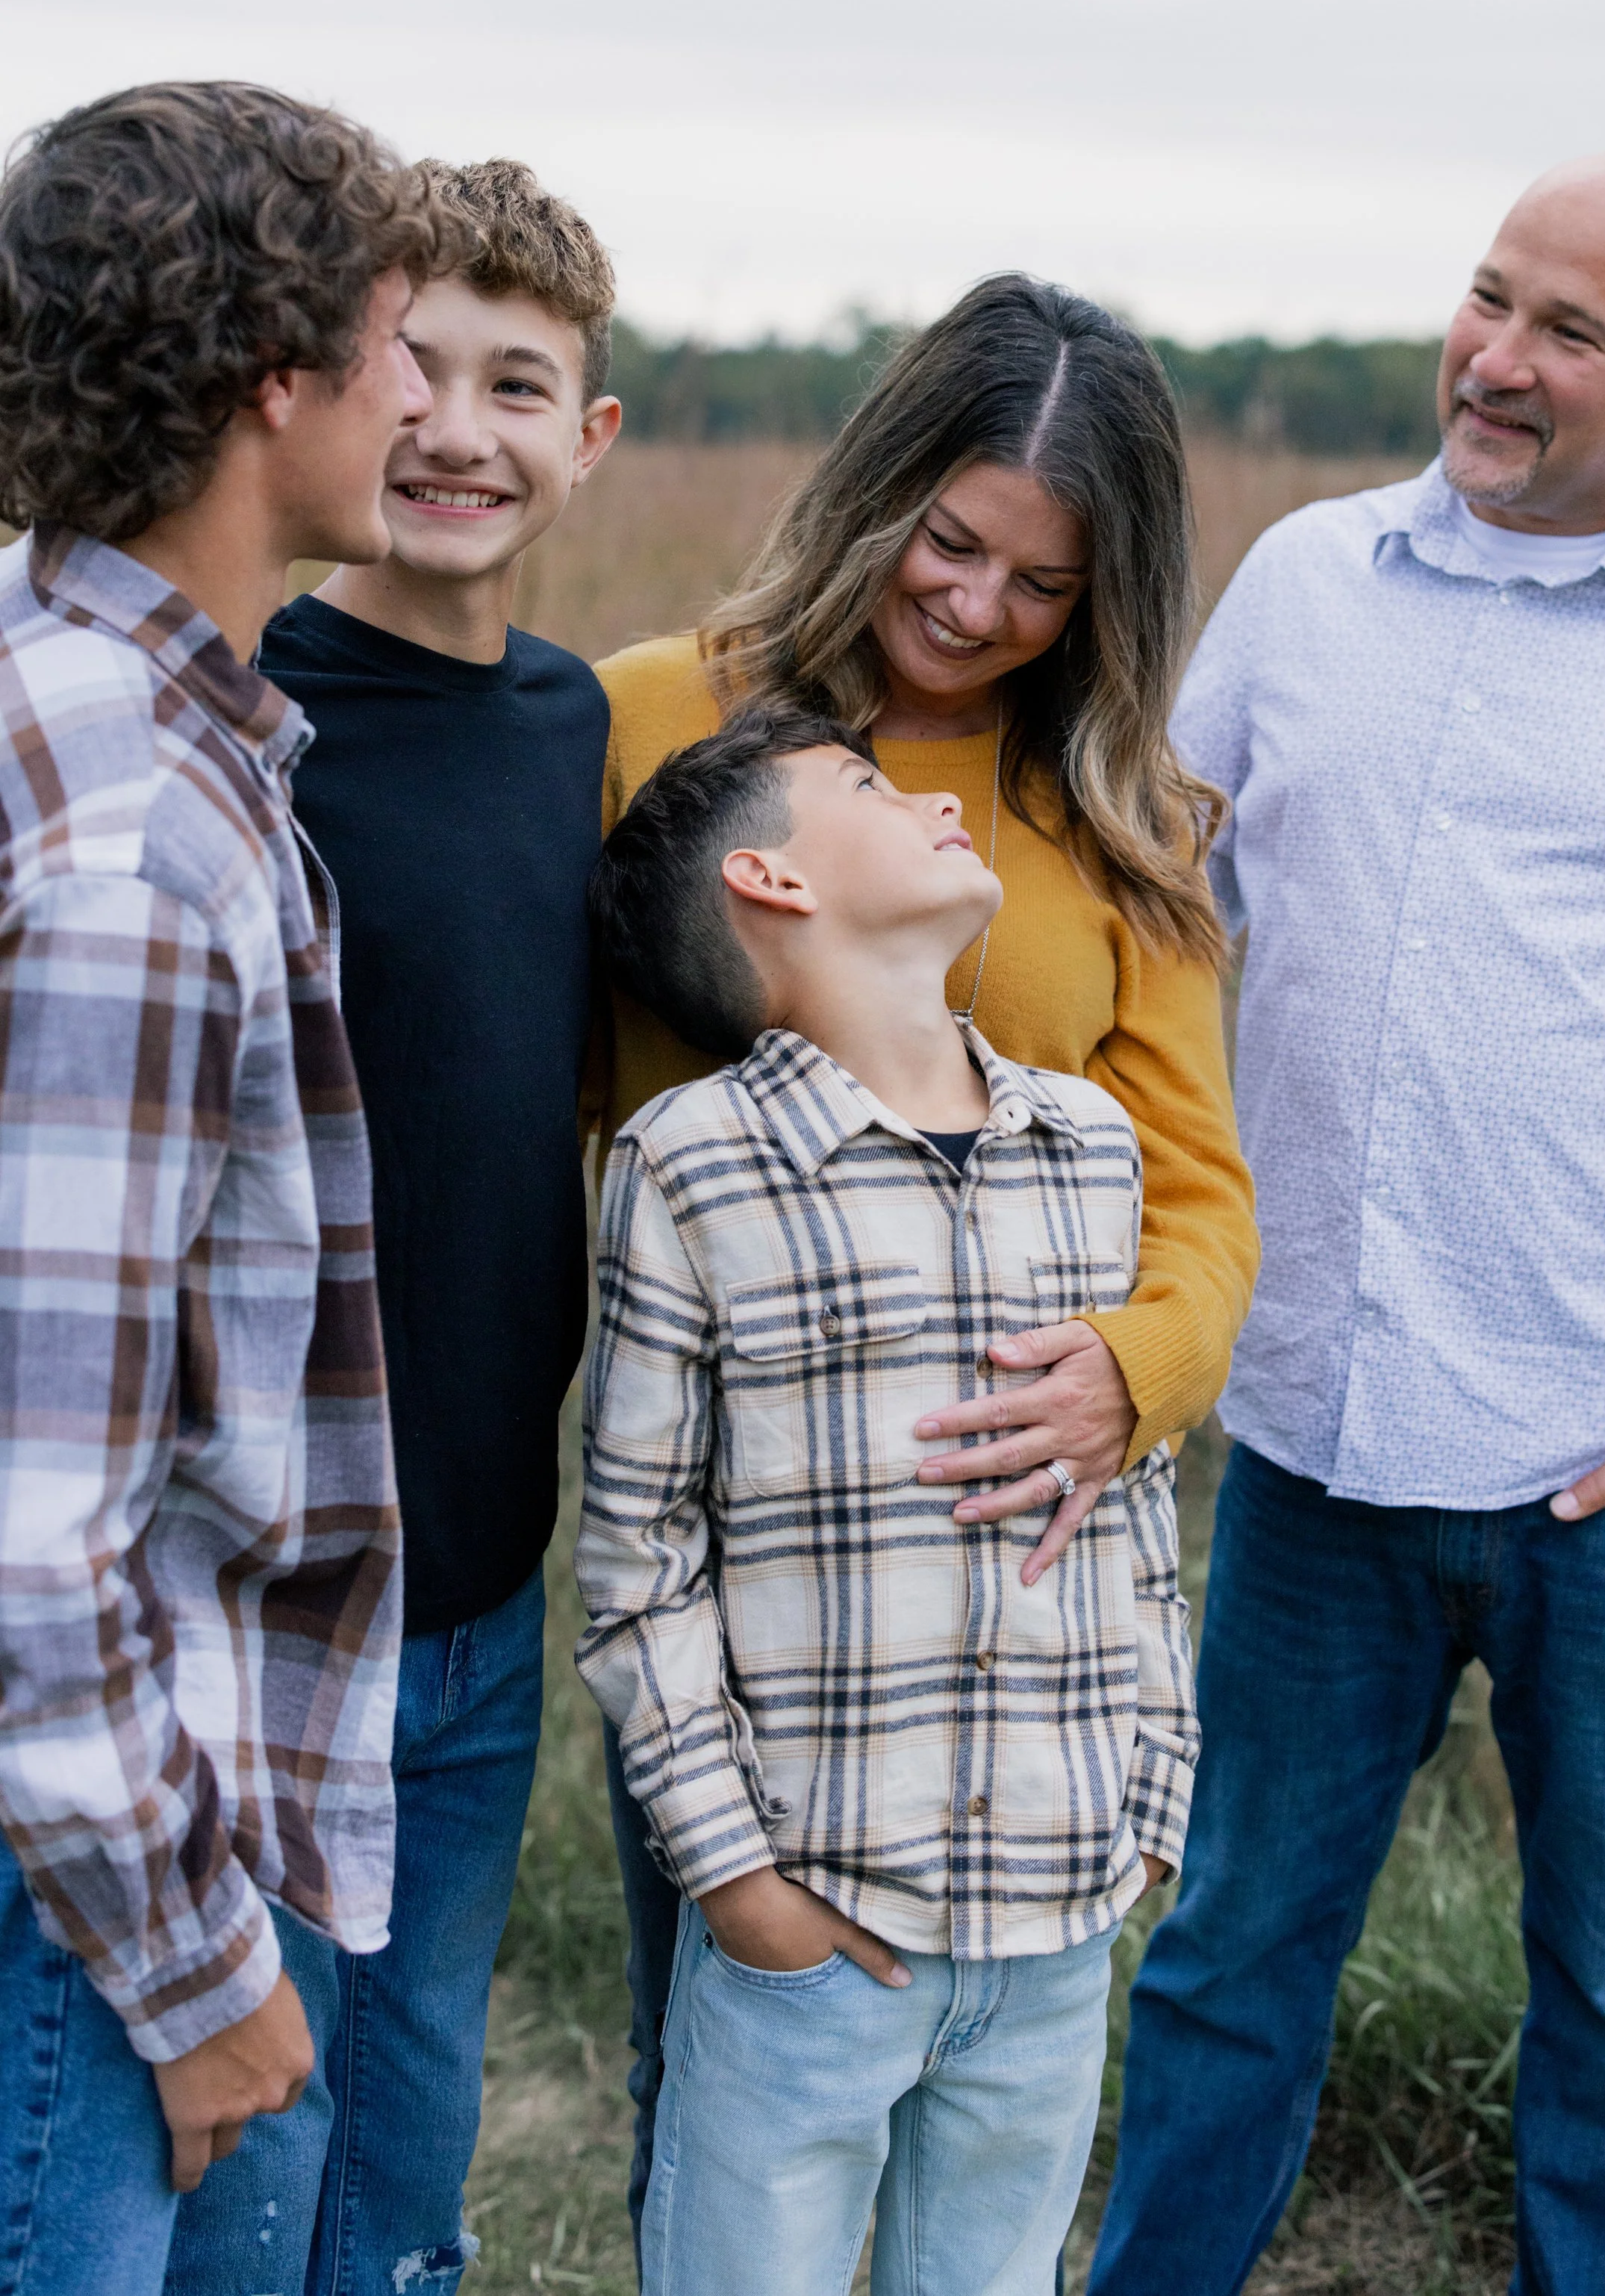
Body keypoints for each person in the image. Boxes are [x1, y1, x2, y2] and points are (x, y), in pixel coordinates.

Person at [1089, 152, 1605, 2296]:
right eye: (1486, 298)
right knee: (1228, 1951)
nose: (1493, 360)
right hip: (1309, 1449)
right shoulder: (1304, 578)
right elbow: (1155, 913)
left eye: (1565, 331)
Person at [590, 274, 1260, 2246]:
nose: (973, 607)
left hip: (1027, 1603)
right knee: (724, 2078)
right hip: (771, 1587)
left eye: (1041, 584)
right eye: (948, 541)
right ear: (876, 488)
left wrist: (1132, 1367)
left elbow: (1206, 1197)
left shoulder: (1117, 823)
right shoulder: (654, 717)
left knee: (982, 2176)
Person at [0, 81, 459, 2295]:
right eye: (393, 342)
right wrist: (199, 1974)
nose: (425, 397)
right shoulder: (141, 848)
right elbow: (33, 1520)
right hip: (85, 1864)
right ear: (271, 377)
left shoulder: (82, 701)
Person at [577, 705, 1199, 2296]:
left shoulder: (1089, 1146)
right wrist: (733, 1882)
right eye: (864, 783)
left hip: (1057, 1916)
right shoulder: (688, 1168)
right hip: (817, 1922)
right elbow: (642, 1569)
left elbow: (1138, 1521)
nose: (928, 789)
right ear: (770, 880)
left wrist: (1148, 1814)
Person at [163, 160, 621, 2296]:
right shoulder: (255, 717)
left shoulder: (579, 724)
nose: (456, 426)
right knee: (258, 2150)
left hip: (483, 1586)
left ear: (590, 435)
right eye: (408, 366)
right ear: (326, 390)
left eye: (517, 381)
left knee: (415, 2139)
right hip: (267, 1592)